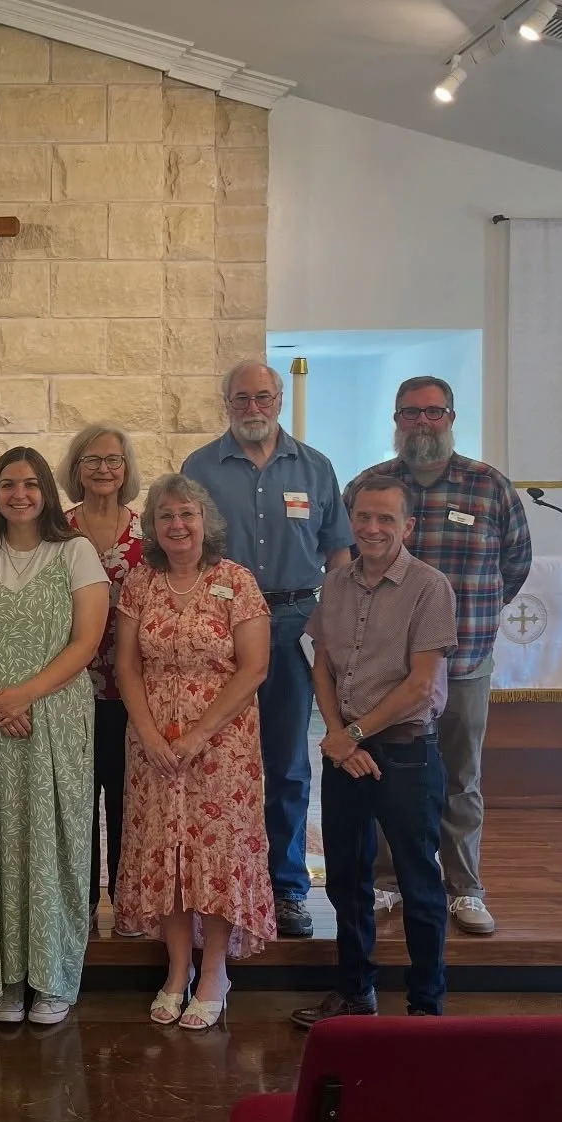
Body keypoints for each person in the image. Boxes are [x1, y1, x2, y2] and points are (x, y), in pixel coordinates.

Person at [351, 377, 532, 937]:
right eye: (411, 413)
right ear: (396, 420)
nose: (422, 423)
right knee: (386, 777)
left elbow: (516, 564)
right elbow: (344, 563)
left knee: (461, 778)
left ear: (452, 416)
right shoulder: (370, 486)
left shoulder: (489, 487)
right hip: (389, 674)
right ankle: (386, 880)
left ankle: (464, 889)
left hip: (464, 666)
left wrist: (473, 618)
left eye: (433, 412)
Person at [180, 361, 351, 939]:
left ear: (279, 400)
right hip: (219, 632)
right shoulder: (199, 468)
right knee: (215, 764)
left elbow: (340, 556)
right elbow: (185, 548)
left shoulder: (316, 468)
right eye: (241, 399)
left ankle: (286, 888)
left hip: (292, 624)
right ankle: (215, 887)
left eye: (263, 397)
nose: (253, 408)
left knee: (287, 765)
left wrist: (328, 623)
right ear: (225, 403)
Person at [0, 448, 110, 1026]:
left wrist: (24, 695)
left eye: (31, 485)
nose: (19, 495)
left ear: (47, 493)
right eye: (8, 484)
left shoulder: (76, 553)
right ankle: (5, 979)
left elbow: (86, 642)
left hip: (53, 720)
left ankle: (55, 976)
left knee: (53, 842)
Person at [291, 474, 458, 1027]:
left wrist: (353, 735)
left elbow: (419, 684)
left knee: (417, 880)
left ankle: (424, 1006)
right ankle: (354, 991)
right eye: (363, 516)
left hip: (406, 753)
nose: (372, 527)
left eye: (386, 518)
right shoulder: (334, 584)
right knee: (345, 876)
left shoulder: (430, 588)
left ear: (407, 526)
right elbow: (321, 666)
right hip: (346, 753)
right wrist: (339, 738)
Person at [114, 476, 272, 1029]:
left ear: (206, 520)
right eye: (165, 517)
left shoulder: (237, 581)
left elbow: (254, 667)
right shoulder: (139, 583)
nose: (177, 525)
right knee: (169, 856)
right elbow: (127, 665)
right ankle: (178, 970)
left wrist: (200, 733)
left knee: (215, 855)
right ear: (152, 527)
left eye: (187, 514)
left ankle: (215, 973)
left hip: (221, 746)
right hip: (154, 746)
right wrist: (149, 732)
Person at [58, 423, 145, 929]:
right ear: (77, 469)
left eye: (114, 460)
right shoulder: (58, 531)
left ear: (127, 469)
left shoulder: (147, 534)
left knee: (127, 796)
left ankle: (129, 905)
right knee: (79, 799)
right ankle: (84, 904)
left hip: (132, 689)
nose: (104, 469)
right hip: (72, 687)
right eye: (92, 460)